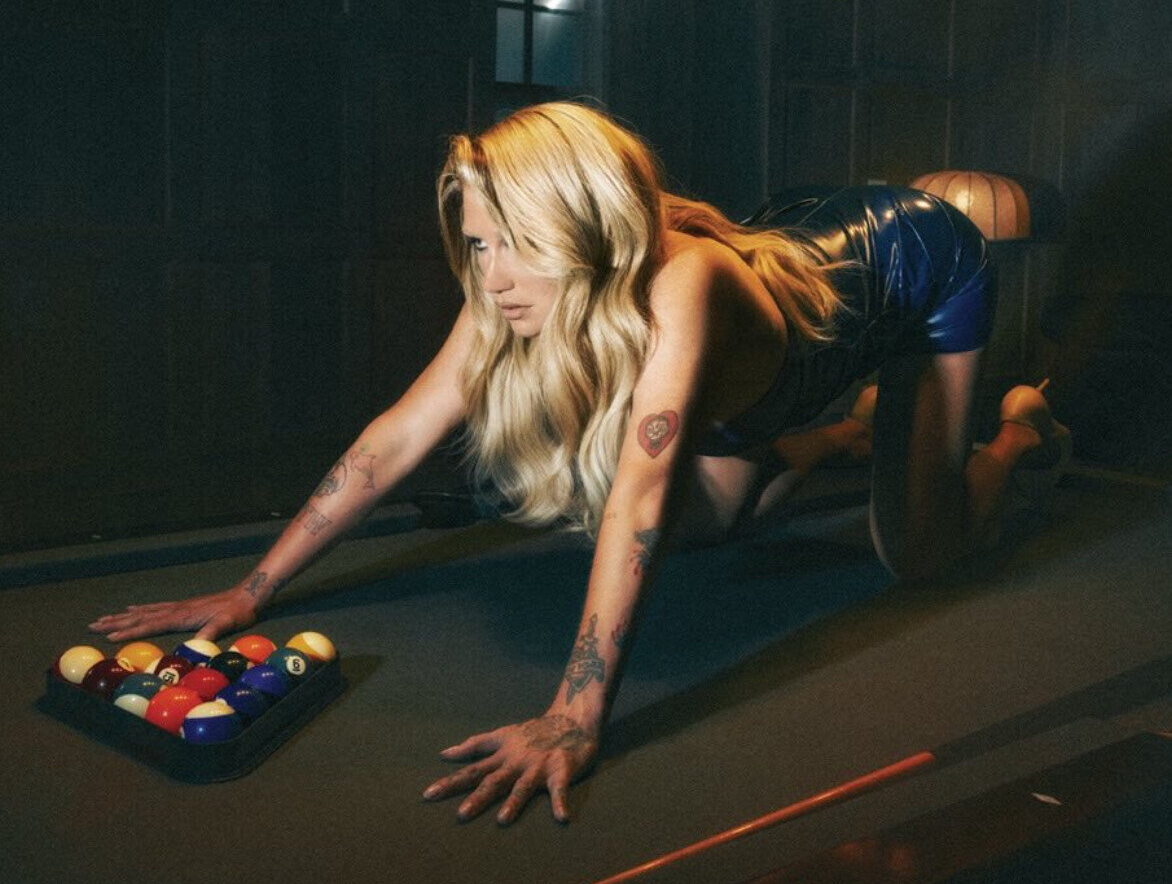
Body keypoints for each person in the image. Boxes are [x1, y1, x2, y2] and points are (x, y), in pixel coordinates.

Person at [89, 102, 1069, 825]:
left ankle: (1017, 433)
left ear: (574, 229)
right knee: (714, 522)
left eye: (514, 247)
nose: (493, 278)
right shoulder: (510, 287)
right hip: (766, 345)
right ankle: (851, 432)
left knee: (916, 551)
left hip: (905, 271)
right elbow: (396, 435)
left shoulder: (686, 282)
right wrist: (251, 590)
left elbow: (638, 495)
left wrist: (573, 714)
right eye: (478, 246)